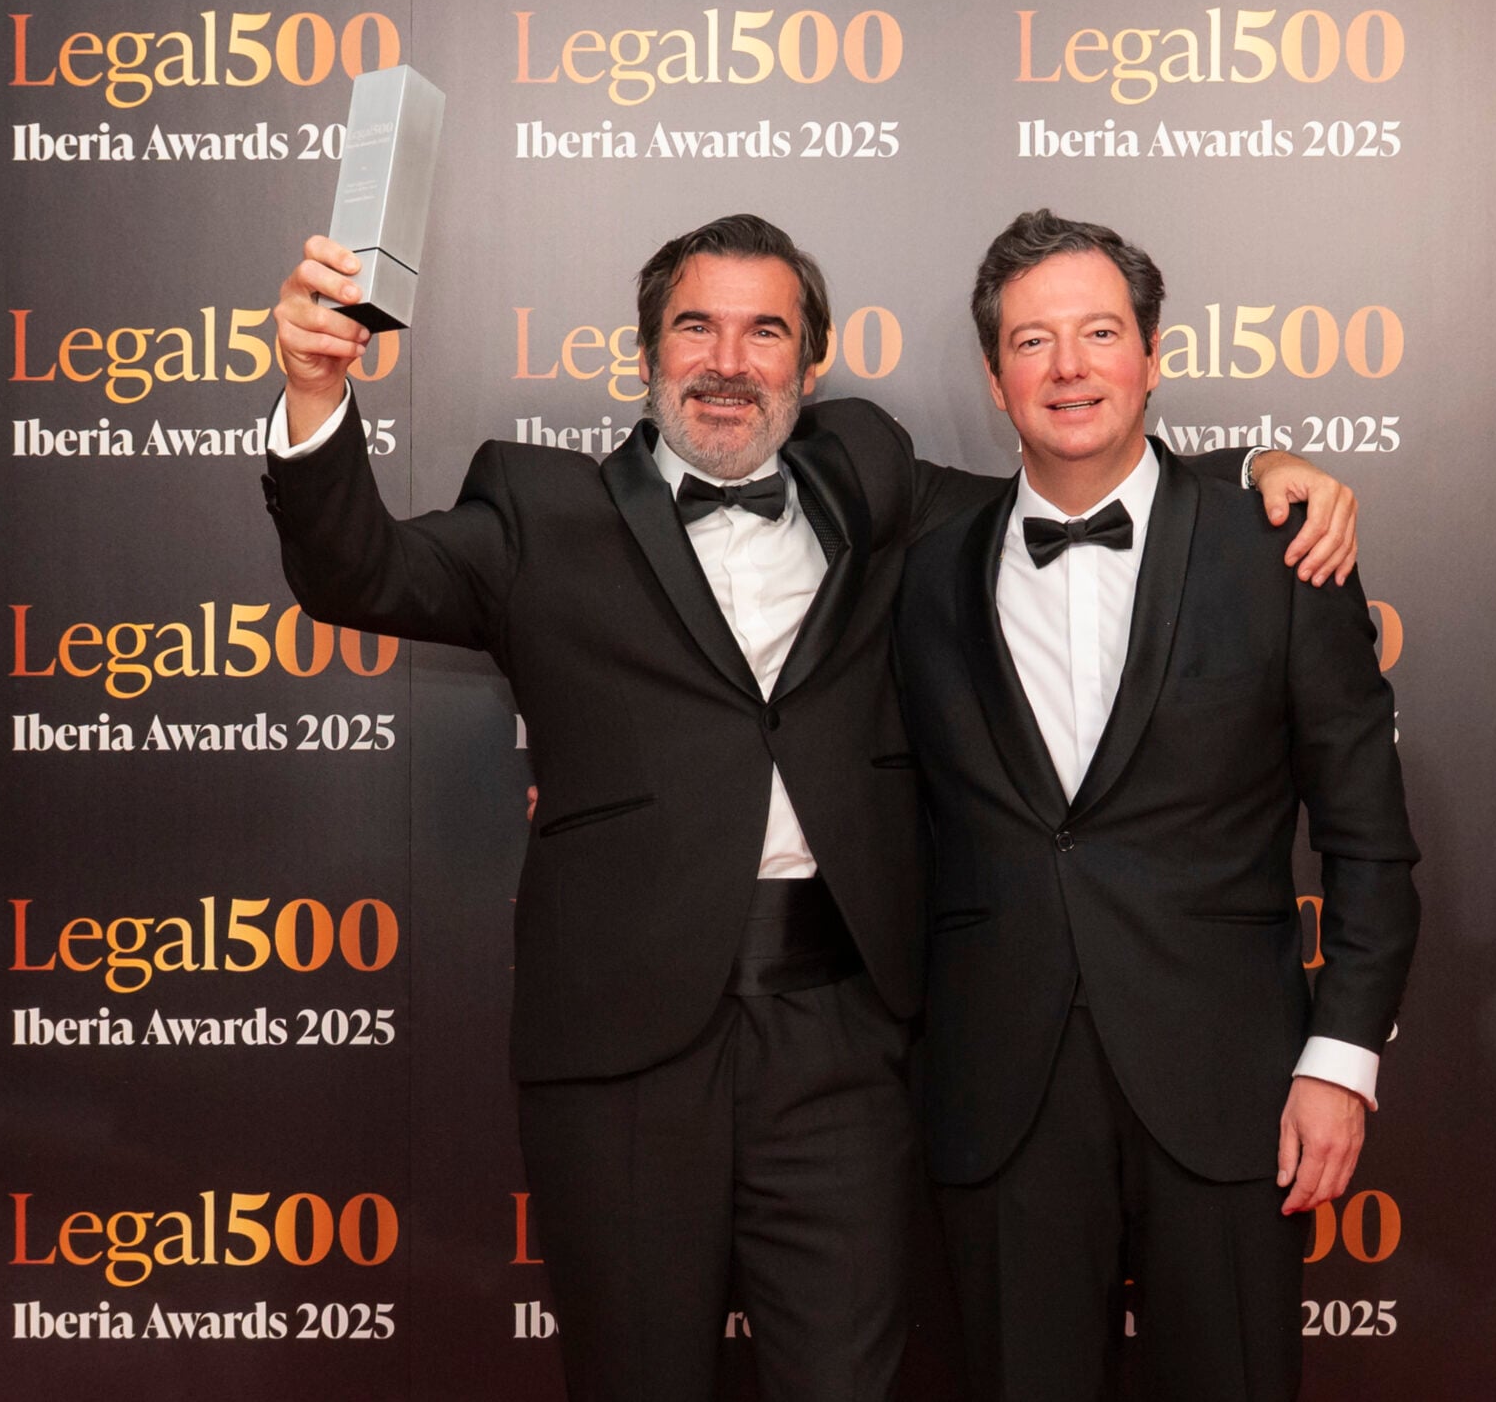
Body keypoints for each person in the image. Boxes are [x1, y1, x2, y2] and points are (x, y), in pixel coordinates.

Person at [258, 214, 1359, 1402]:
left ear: (812, 361)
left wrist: (1254, 472)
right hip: (620, 1050)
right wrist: (314, 390)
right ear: (647, 352)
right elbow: (356, 568)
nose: (728, 361)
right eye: (696, 327)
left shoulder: (870, 479)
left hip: (843, 1040)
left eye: (765, 331)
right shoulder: (537, 510)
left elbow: (1072, 476)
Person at [895, 210, 1420, 1402]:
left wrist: (1341, 1061)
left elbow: (1370, 844)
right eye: (1031, 340)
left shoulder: (1279, 548)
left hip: (1235, 1086)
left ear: (1152, 355)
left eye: (1098, 332)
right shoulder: (923, 566)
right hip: (998, 1093)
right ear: (993, 376)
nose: (1067, 367)